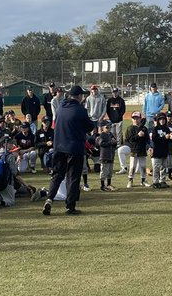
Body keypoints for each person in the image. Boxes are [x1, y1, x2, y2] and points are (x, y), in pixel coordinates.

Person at [41, 85, 96, 215]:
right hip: (74, 147)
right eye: (82, 95)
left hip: (58, 147)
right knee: (73, 177)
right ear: (79, 96)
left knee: (57, 175)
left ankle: (49, 199)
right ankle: (70, 206)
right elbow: (89, 127)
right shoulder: (80, 110)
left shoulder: (61, 107)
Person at [124, 111, 150, 188]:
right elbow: (130, 139)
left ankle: (143, 180)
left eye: (137, 118)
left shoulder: (144, 128)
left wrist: (144, 137)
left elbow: (147, 139)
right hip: (134, 150)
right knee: (132, 166)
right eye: (134, 118)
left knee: (143, 166)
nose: (135, 120)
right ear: (132, 119)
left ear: (140, 119)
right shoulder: (130, 128)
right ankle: (130, 180)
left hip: (142, 149)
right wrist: (138, 135)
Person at [149, 112, 172, 189]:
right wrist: (164, 138)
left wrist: (171, 138)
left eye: (163, 119)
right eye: (160, 119)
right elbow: (154, 139)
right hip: (157, 151)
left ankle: (162, 181)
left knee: (163, 167)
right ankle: (155, 182)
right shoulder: (155, 129)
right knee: (156, 167)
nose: (162, 121)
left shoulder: (167, 129)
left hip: (164, 150)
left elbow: (168, 140)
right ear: (158, 120)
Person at [95, 120, 117, 191]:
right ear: (103, 128)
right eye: (107, 127)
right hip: (104, 156)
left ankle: (109, 184)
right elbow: (101, 144)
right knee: (104, 171)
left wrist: (114, 142)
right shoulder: (102, 135)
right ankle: (102, 185)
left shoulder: (110, 134)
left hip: (111, 155)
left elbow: (115, 143)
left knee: (110, 171)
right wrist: (111, 142)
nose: (109, 128)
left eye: (110, 127)